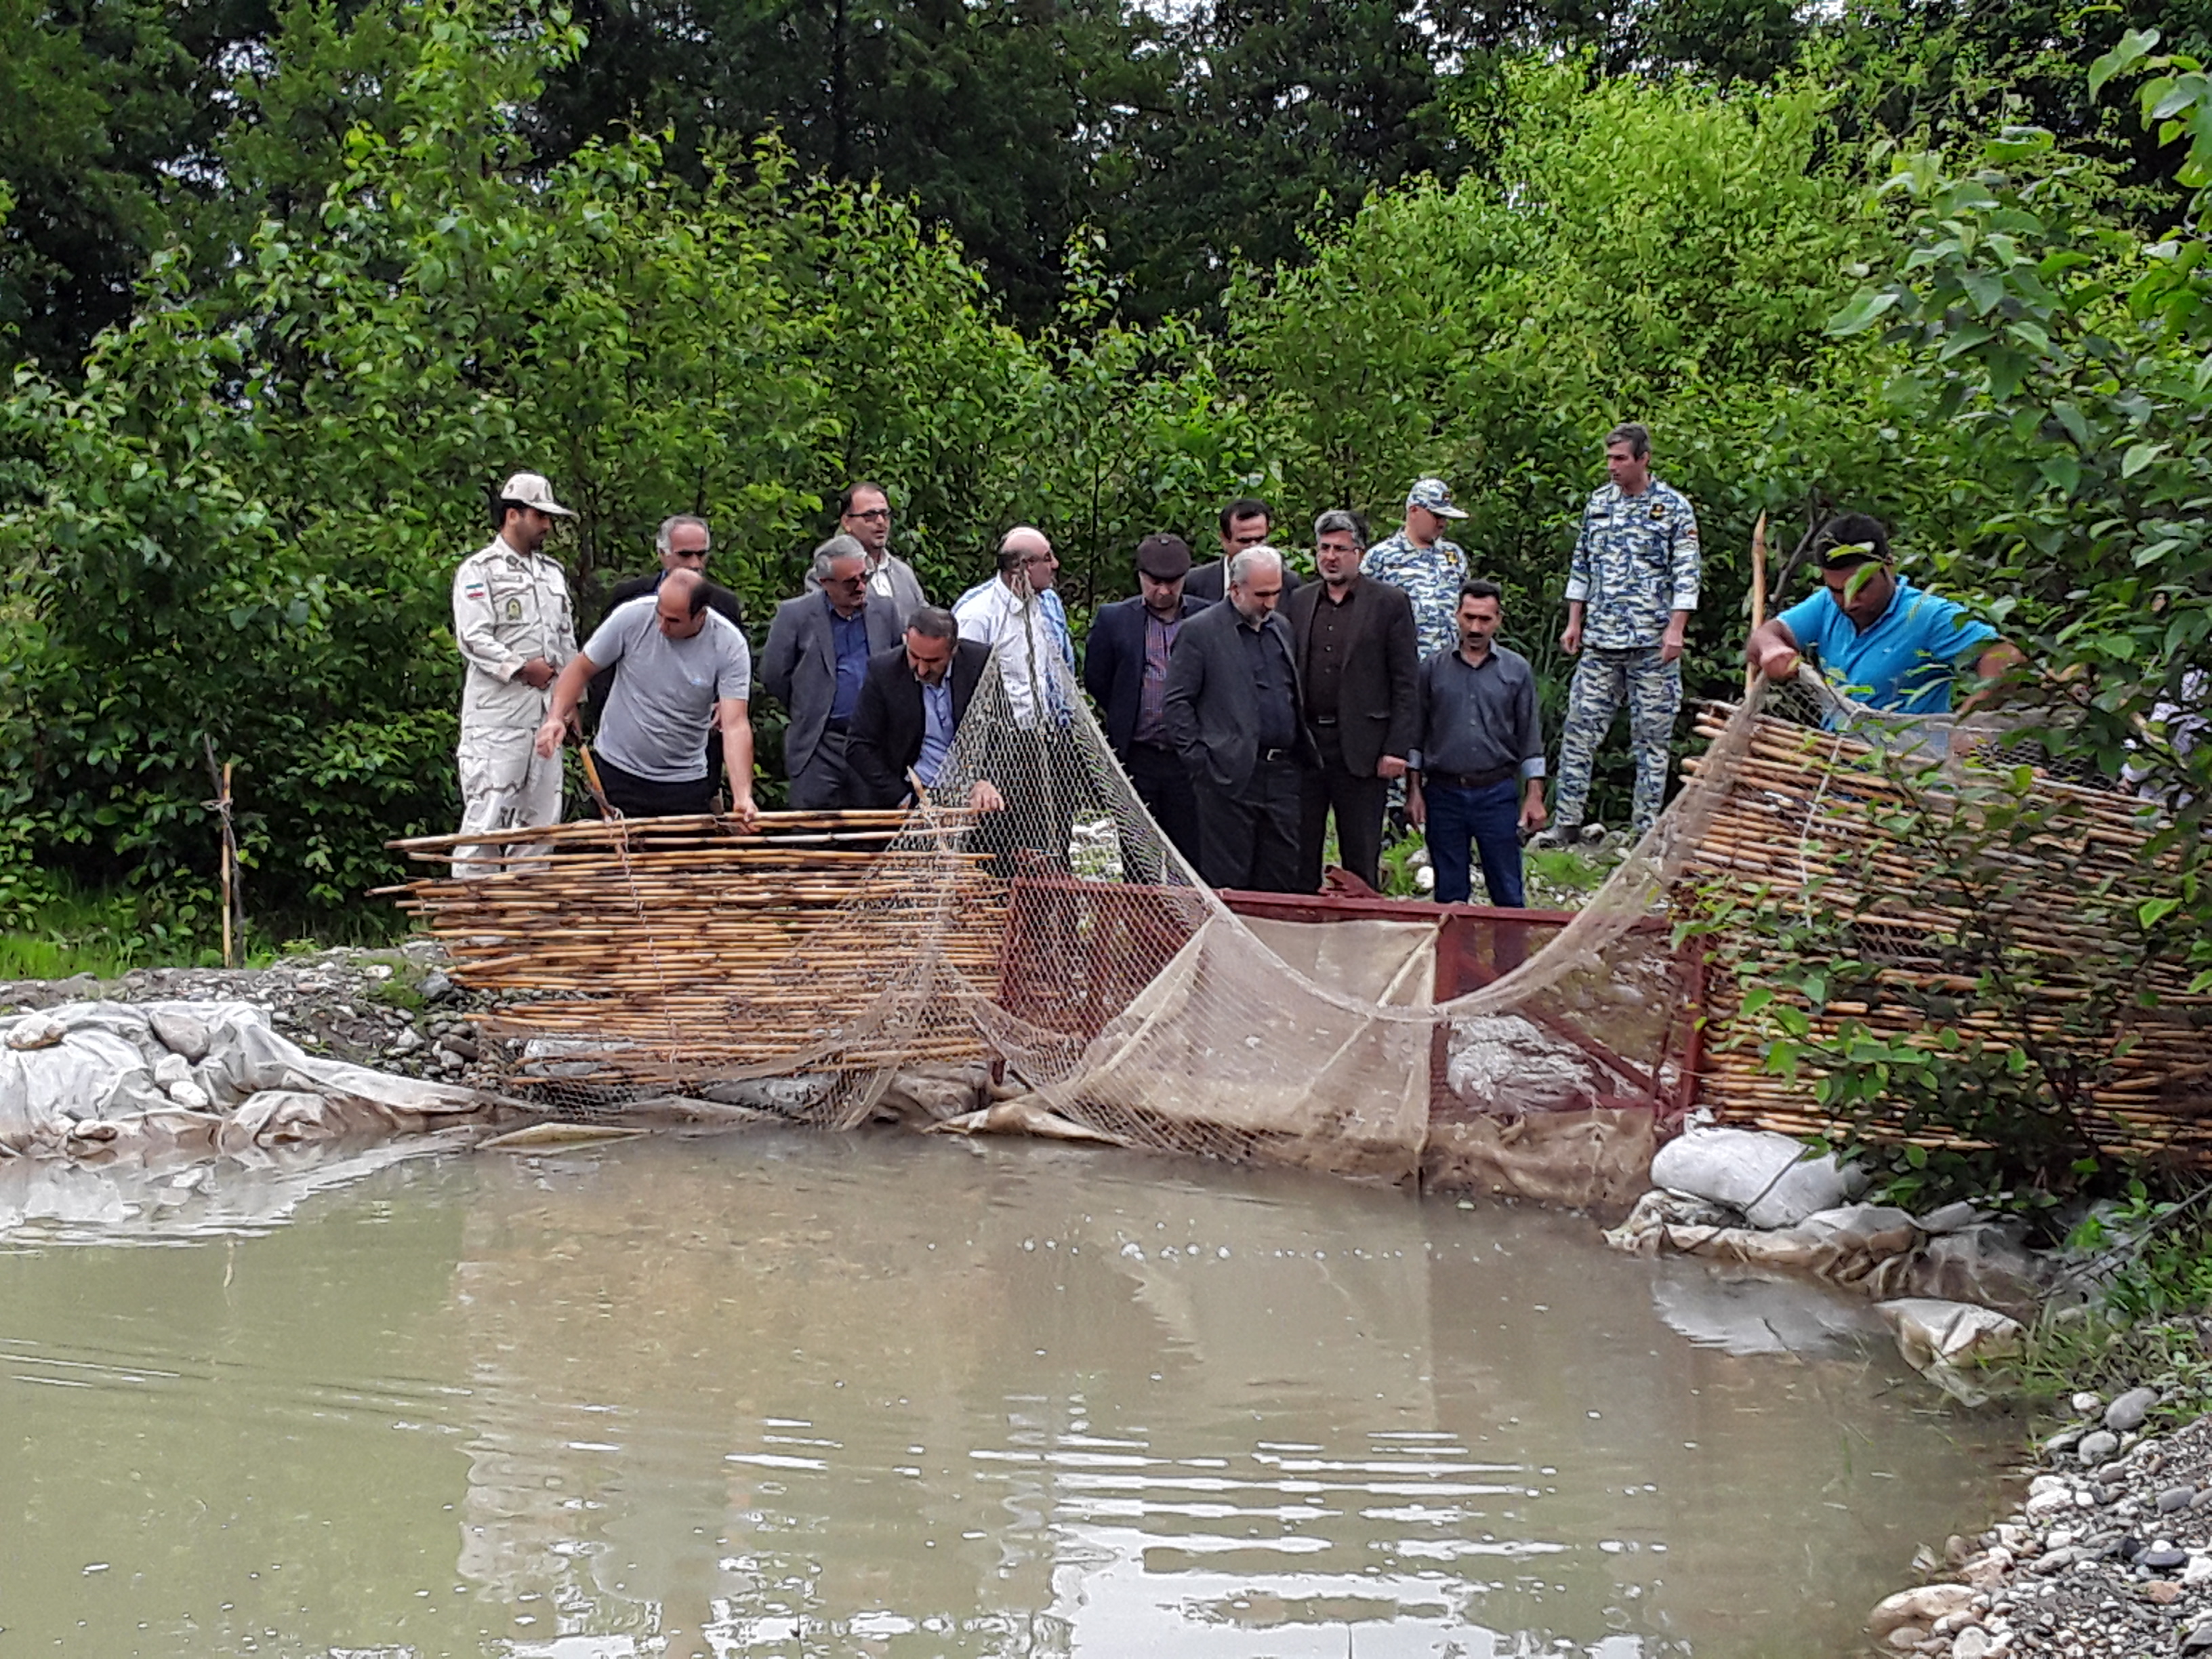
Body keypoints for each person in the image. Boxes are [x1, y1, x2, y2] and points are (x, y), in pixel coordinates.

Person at [1547, 422, 1701, 843]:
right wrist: (1574, 621)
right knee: (1580, 728)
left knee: (1651, 739)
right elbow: (1582, 566)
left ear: (1643, 459)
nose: (1612, 467)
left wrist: (1676, 630)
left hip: (1652, 643)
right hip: (1601, 640)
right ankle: (1567, 822)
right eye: (1609, 458)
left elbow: (1687, 573)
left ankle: (1644, 830)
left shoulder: (1672, 507)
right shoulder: (1598, 505)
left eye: (1621, 459)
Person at [534, 568, 758, 825]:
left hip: (683, 779)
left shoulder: (729, 644)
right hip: (616, 769)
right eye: (659, 615)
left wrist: (743, 795)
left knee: (679, 862)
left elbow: (735, 724)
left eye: (674, 621)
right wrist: (555, 717)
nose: (662, 626)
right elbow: (581, 668)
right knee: (610, 860)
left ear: (700, 616)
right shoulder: (632, 617)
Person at [1745, 512, 2024, 717]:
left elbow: (2005, 656)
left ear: (1888, 566)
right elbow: (1766, 634)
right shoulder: (1826, 605)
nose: (1850, 602)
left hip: (1908, 768)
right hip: (1839, 763)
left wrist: (1969, 722)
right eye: (1838, 590)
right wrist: (1772, 649)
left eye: (1861, 586)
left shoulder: (1926, 615)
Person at [1162, 546, 1316, 892]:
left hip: (1282, 774)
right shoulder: (1201, 632)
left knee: (1281, 877)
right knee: (1230, 881)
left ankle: (1272, 945)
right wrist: (1201, 762)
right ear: (1235, 589)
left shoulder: (1281, 628)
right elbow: (1177, 704)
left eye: (1275, 593)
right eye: (1261, 594)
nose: (1270, 603)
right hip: (1228, 775)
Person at [452, 471, 579, 875]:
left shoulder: (552, 573)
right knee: (486, 820)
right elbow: (472, 637)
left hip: (546, 719)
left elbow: (566, 641)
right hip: (497, 720)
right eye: (539, 515)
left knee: (540, 825)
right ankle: (473, 928)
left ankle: (525, 924)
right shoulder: (479, 570)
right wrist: (521, 669)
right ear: (513, 514)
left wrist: (570, 701)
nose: (547, 526)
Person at [1286, 508, 1418, 893]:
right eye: (1324, 548)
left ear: (1359, 554)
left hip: (1363, 747)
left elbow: (1406, 681)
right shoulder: (1299, 601)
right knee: (1301, 849)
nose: (1330, 557)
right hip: (1308, 745)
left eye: (1340, 549)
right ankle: (1303, 928)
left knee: (1360, 850)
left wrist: (1398, 748)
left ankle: (1361, 930)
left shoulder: (1388, 603)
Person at [1410, 582, 1548, 907]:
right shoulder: (1432, 669)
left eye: (1484, 619)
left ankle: (1513, 959)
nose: (1475, 627)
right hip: (1443, 793)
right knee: (1449, 893)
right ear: (1457, 615)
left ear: (1498, 620)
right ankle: (1455, 959)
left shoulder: (1516, 670)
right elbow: (1416, 733)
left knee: (1507, 888)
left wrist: (1535, 795)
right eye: (1469, 617)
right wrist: (1413, 791)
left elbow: (1530, 735)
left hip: (1496, 792)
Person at [588, 514, 745, 781]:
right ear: (663, 554)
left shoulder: (723, 605)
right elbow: (599, 665)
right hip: (624, 751)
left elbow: (736, 672)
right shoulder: (631, 599)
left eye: (701, 554)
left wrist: (724, 703)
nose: (695, 564)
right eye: (685, 555)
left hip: (693, 752)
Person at [1082, 533, 1206, 865]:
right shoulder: (1115, 619)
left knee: (1191, 856)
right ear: (1140, 576)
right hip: (1138, 756)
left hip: (1188, 760)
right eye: (1154, 582)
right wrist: (1127, 711)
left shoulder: (1206, 618)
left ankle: (1191, 917)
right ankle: (1141, 917)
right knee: (1138, 857)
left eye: (1173, 583)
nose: (1163, 591)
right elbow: (1098, 678)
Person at [762, 535, 903, 809]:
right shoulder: (795, 615)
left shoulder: (885, 611)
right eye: (851, 582)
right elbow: (774, 675)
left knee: (871, 831)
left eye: (865, 577)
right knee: (811, 831)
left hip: (872, 742)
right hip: (819, 742)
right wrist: (809, 706)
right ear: (825, 582)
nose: (861, 586)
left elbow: (897, 668)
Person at [845, 607, 1002, 811]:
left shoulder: (980, 663)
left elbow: (1000, 731)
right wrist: (902, 798)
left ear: (953, 650)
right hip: (914, 794)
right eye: (914, 656)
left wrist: (987, 779)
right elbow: (858, 746)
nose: (921, 669)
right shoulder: (884, 672)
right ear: (905, 640)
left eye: (933, 661)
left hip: (974, 795)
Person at [952, 526, 1076, 729]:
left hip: (1049, 732)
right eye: (1047, 558)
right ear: (1024, 566)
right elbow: (963, 687)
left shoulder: (1045, 604)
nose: (1055, 564)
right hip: (998, 740)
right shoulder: (977, 614)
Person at [1363, 478, 1472, 661]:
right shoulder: (1381, 557)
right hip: (1405, 668)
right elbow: (1363, 616)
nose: (1442, 523)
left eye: (1445, 517)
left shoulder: (1453, 555)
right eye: (1436, 516)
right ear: (1414, 511)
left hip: (1451, 666)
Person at [806, 480, 926, 629]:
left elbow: (926, 623)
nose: (881, 521)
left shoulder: (904, 573)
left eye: (885, 514)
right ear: (846, 522)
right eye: (870, 515)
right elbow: (823, 631)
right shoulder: (828, 573)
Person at [1185, 497, 1303, 604]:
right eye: (1244, 541)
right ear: (1225, 540)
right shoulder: (1194, 583)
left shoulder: (1289, 583)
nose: (1253, 548)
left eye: (1260, 540)